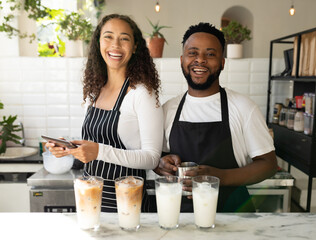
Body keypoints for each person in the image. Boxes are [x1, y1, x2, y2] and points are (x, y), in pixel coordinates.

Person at [154, 22, 277, 212]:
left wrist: (220, 177)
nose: (200, 60)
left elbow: (268, 165)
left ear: (222, 62)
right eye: (192, 53)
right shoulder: (168, 109)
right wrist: (160, 164)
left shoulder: (244, 107)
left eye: (210, 54)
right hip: (178, 215)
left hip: (233, 216)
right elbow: (156, 158)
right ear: (182, 60)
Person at [46, 14, 163, 212]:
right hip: (91, 200)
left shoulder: (142, 94)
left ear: (135, 47)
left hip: (128, 204)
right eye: (108, 36)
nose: (115, 45)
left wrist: (99, 151)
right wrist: (69, 149)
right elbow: (91, 148)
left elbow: (151, 158)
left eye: (124, 38)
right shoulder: (94, 91)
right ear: (98, 43)